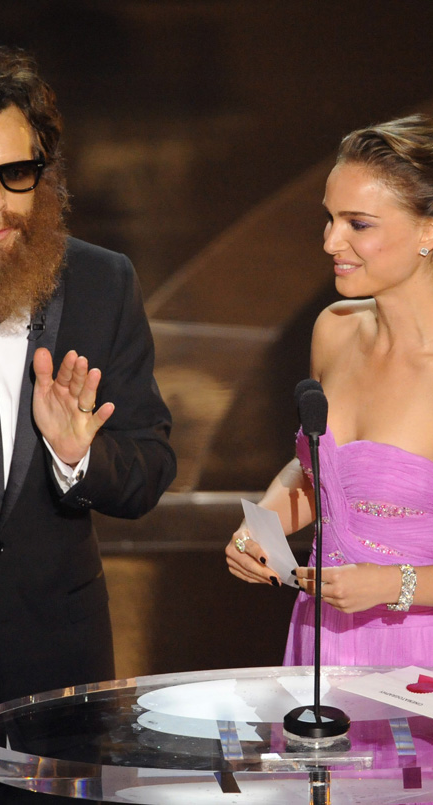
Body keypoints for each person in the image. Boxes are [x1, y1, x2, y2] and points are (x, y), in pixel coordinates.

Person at [0, 38, 176, 802]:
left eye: (19, 174)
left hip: (58, 696)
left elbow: (148, 469)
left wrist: (81, 459)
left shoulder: (103, 282)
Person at [226, 113, 433, 669]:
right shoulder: (334, 329)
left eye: (357, 224)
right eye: (329, 218)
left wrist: (394, 583)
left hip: (419, 653)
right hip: (325, 640)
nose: (329, 241)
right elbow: (322, 472)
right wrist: (261, 524)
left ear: (428, 231)